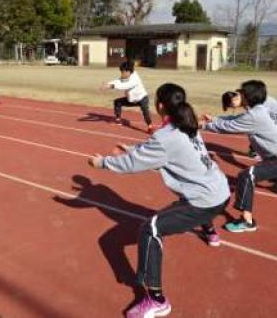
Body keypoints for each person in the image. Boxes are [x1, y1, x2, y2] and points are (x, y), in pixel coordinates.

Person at [89, 83, 230, 318]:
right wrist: (132, 148)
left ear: (160, 106)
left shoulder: (167, 136)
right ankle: (210, 230)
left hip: (204, 200)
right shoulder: (188, 124)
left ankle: (156, 300)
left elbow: (135, 164)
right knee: (185, 184)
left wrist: (102, 163)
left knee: (150, 229)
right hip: (221, 191)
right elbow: (161, 152)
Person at [202, 80, 277, 233]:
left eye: (240, 92)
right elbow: (235, 119)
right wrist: (214, 119)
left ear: (247, 96)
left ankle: (247, 221)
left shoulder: (255, 116)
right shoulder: (259, 110)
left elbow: (228, 127)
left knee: (246, 176)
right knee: (248, 176)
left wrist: (203, 125)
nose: (237, 95)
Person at [222, 90, 277, 157]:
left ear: (234, 99)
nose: (232, 107)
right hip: (269, 113)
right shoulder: (242, 98)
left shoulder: (249, 99)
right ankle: (254, 149)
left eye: (230, 105)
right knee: (253, 129)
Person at [101, 61, 154, 133]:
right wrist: (108, 84)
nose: (121, 74)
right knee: (117, 102)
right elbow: (119, 81)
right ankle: (118, 120)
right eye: (121, 72)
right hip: (131, 99)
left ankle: (150, 126)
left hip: (142, 98)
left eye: (123, 72)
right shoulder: (126, 76)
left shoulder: (135, 79)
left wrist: (112, 86)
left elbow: (126, 85)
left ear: (128, 72)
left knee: (145, 111)